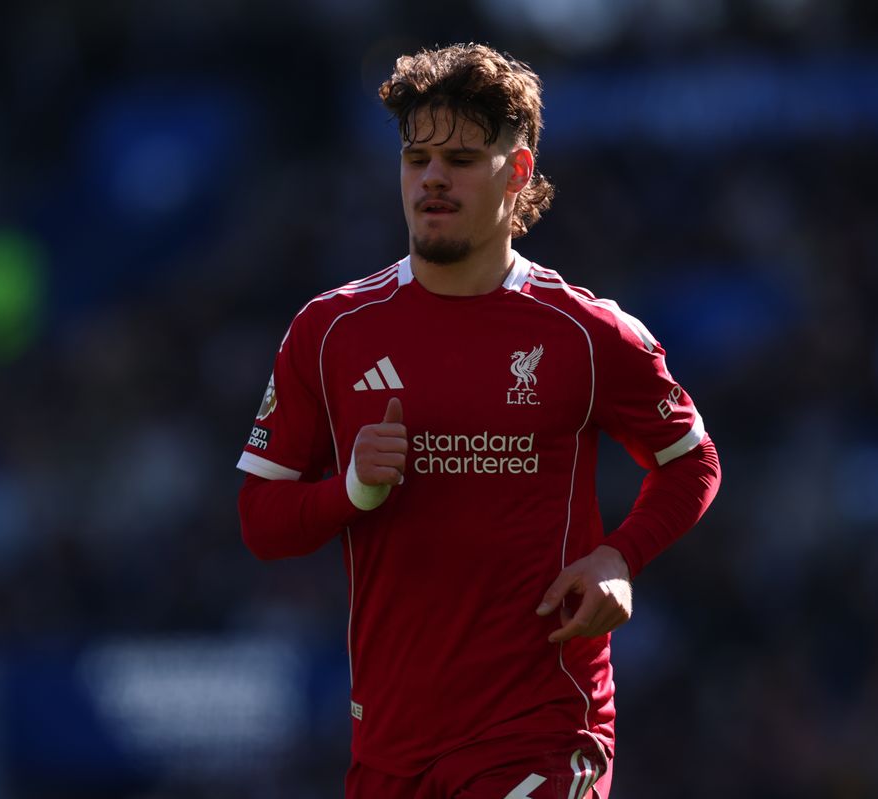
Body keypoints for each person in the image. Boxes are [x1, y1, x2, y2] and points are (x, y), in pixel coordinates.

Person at [236, 43, 721, 799]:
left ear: (518, 171)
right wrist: (351, 491)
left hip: (543, 729)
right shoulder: (331, 330)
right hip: (393, 746)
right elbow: (261, 520)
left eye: (461, 158)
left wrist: (621, 556)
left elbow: (691, 461)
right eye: (416, 156)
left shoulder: (586, 333)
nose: (432, 177)